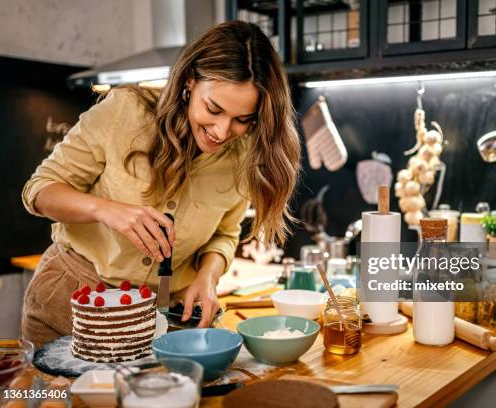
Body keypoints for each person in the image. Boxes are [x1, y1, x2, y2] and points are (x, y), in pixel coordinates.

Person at [21, 21, 300, 348]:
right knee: (53, 398)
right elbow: (39, 191)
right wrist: (107, 211)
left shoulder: (243, 155)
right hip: (71, 303)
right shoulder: (125, 112)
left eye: (242, 120)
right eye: (213, 109)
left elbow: (224, 234)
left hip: (167, 318)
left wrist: (207, 278)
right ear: (190, 81)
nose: (222, 132)